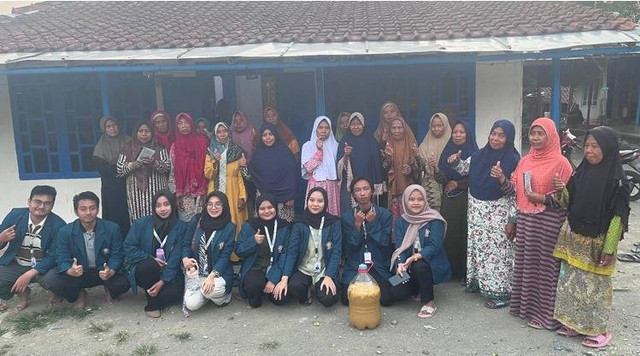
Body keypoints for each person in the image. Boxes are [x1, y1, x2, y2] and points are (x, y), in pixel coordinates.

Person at [551, 127, 630, 348]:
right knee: (571, 283)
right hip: (574, 236)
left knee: (594, 287)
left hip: (598, 241)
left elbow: (618, 217)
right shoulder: (580, 173)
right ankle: (573, 323)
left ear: (607, 148)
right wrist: (560, 191)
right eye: (586, 145)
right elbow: (568, 203)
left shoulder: (618, 181)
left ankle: (598, 330)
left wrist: (609, 247)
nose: (588, 150)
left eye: (595, 146)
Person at [506, 118, 573, 330]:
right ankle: (525, 308)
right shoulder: (524, 161)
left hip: (549, 221)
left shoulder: (562, 164)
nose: (535, 138)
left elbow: (568, 199)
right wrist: (501, 180)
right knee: (527, 264)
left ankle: (546, 316)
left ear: (551, 136)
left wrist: (541, 198)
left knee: (547, 268)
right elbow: (515, 191)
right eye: (532, 133)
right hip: (527, 220)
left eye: (540, 133)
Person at [447, 119, 520, 309]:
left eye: (501, 135)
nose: (495, 138)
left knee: (499, 252)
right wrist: (455, 162)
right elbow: (465, 169)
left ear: (508, 138)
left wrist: (513, 219)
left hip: (498, 213)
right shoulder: (479, 155)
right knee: (479, 249)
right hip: (477, 211)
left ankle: (502, 292)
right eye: (493, 133)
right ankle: (480, 283)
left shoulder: (513, 159)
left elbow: (516, 193)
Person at [44, 191, 130, 309]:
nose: (88, 213)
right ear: (76, 211)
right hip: (79, 273)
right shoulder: (65, 231)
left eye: (92, 208)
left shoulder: (112, 228)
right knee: (51, 279)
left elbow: (118, 255)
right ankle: (79, 293)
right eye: (83, 209)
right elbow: (61, 257)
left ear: (98, 209)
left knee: (124, 282)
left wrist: (111, 271)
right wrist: (70, 271)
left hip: (103, 272)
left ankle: (109, 288)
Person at [124, 189, 191, 318]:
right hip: (145, 270)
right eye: (158, 205)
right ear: (154, 207)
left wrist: (162, 282)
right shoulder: (141, 223)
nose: (162, 209)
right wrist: (150, 258)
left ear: (172, 205)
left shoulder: (181, 227)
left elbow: (176, 257)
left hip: (169, 273)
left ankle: (156, 291)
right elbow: (129, 246)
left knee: (174, 295)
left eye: (166, 204)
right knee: (148, 265)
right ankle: (152, 303)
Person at [341, 177, 405, 306]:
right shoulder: (347, 217)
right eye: (358, 190)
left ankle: (406, 284)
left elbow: (385, 242)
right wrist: (358, 226)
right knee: (346, 299)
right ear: (353, 194)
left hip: (378, 264)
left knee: (388, 299)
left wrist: (373, 224)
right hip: (356, 265)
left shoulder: (384, 214)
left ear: (372, 191)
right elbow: (349, 247)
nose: (362, 193)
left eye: (366, 189)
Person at [0, 186, 66, 311]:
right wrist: (1, 238)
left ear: (52, 205)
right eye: (37, 202)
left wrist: (29, 274)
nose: (41, 207)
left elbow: (54, 256)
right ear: (29, 201)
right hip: (17, 264)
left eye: (47, 203)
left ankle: (54, 291)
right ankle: (21, 291)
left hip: (44, 267)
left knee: (54, 280)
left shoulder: (59, 225)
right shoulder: (15, 215)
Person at [391, 184, 451, 318]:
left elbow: (435, 246)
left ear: (425, 201)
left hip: (429, 264)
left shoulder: (434, 219)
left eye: (420, 199)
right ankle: (417, 288)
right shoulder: (402, 221)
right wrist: (400, 264)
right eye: (412, 199)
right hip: (408, 264)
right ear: (405, 201)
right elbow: (400, 247)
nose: (416, 203)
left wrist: (414, 257)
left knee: (419, 265)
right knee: (395, 292)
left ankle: (429, 302)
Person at [437, 121, 478, 280]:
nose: (458, 135)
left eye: (462, 132)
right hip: (450, 200)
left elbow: (477, 178)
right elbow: (442, 178)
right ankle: (450, 271)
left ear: (467, 134)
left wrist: (458, 183)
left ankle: (465, 272)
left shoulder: (476, 153)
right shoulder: (447, 151)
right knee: (449, 234)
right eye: (455, 132)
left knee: (465, 234)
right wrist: (435, 170)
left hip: (467, 199)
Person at [287, 187, 342, 306]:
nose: (315, 204)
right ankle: (306, 289)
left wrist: (329, 276)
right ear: (307, 201)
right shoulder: (299, 223)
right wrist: (284, 277)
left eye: (320, 201)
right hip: (304, 269)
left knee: (329, 299)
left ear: (325, 203)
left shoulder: (333, 222)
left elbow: (336, 251)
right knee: (294, 287)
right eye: (312, 200)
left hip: (323, 270)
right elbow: (292, 251)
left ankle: (318, 288)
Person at [235, 195, 293, 308]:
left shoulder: (284, 226)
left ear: (276, 208)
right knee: (254, 291)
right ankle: (260, 289)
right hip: (256, 268)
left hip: (277, 267)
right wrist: (253, 241)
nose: (266, 211)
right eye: (262, 208)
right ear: (257, 210)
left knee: (282, 299)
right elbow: (239, 251)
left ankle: (269, 287)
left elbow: (286, 254)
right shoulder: (250, 225)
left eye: (270, 207)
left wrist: (273, 279)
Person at [182, 192, 235, 312]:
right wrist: (185, 258)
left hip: (218, 275)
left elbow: (225, 256)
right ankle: (206, 293)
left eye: (218, 204)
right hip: (199, 274)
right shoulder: (197, 221)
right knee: (191, 305)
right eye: (210, 204)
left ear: (224, 206)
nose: (213, 208)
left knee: (213, 289)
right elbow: (186, 243)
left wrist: (212, 276)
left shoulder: (229, 227)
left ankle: (223, 298)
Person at [117, 122, 171, 222]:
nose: (144, 134)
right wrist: (133, 165)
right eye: (140, 131)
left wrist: (154, 163)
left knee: (158, 216)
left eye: (147, 131)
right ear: (135, 133)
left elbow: (167, 167)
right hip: (135, 193)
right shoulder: (127, 148)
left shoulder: (159, 147)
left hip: (156, 190)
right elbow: (120, 170)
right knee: (138, 219)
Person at [247, 123, 298, 221]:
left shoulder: (285, 152)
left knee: (284, 229)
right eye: (264, 135)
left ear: (275, 135)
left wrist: (291, 196)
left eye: (270, 134)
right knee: (264, 228)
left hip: (284, 198)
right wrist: (244, 166)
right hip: (264, 197)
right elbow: (251, 177)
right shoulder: (258, 155)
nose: (268, 137)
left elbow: (292, 175)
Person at [204, 122, 248, 234]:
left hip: (233, 192)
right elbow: (208, 174)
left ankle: (235, 251)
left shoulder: (237, 151)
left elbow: (239, 177)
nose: (222, 134)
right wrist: (215, 162)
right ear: (215, 134)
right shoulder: (211, 151)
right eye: (219, 132)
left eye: (225, 131)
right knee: (215, 218)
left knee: (234, 222)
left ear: (229, 133)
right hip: (215, 190)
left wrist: (242, 197)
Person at [336, 112, 384, 212]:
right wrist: (346, 155)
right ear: (349, 126)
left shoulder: (371, 141)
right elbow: (340, 168)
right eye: (353, 124)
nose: (356, 127)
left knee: (370, 211)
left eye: (358, 124)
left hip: (368, 180)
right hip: (350, 185)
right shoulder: (345, 141)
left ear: (363, 125)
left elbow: (377, 163)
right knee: (351, 213)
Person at [93, 116, 131, 235]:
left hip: (128, 184)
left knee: (128, 214)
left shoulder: (128, 141)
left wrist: (118, 167)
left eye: (114, 125)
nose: (112, 129)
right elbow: (104, 170)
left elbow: (135, 160)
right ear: (104, 129)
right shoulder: (101, 146)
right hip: (111, 188)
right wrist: (122, 167)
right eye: (108, 126)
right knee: (113, 216)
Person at [169, 112, 210, 222]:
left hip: (203, 191)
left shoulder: (202, 142)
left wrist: (207, 191)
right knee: (186, 225)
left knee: (203, 223)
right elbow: (173, 171)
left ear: (191, 125)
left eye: (187, 123)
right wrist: (177, 196)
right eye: (180, 123)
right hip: (184, 194)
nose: (184, 126)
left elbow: (209, 166)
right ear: (176, 126)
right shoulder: (175, 146)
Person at [382, 116, 423, 219]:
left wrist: (411, 170)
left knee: (410, 219)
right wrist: (388, 158)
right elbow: (382, 170)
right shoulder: (386, 145)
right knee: (395, 221)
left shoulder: (411, 145)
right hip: (393, 192)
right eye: (393, 128)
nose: (397, 131)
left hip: (410, 191)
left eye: (400, 128)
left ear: (404, 128)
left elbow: (420, 170)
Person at [301, 116, 340, 216]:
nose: (323, 130)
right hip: (316, 185)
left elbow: (339, 168)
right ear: (315, 129)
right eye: (320, 127)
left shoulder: (335, 146)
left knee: (331, 214)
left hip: (332, 186)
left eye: (327, 128)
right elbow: (308, 168)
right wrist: (319, 151)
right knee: (315, 213)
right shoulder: (308, 146)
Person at [418, 113, 453, 211]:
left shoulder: (452, 143)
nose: (436, 129)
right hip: (431, 192)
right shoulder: (424, 145)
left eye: (440, 126)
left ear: (445, 126)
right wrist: (418, 158)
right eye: (433, 126)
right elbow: (419, 168)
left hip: (449, 188)